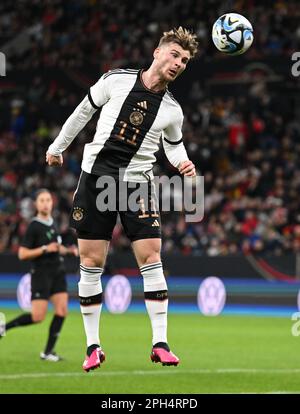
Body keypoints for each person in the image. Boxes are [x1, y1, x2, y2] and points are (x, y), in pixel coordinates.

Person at [46, 27, 198, 371]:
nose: (178, 63)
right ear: (157, 52)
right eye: (174, 54)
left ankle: (160, 343)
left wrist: (182, 163)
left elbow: (173, 146)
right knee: (92, 261)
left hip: (137, 186)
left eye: (185, 61)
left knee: (151, 256)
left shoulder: (172, 110)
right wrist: (58, 147)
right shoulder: (116, 80)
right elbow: (83, 112)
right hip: (96, 180)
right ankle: (93, 346)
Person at [0, 189, 78, 361]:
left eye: (48, 200)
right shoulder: (34, 226)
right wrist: (43, 249)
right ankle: (4, 327)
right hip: (41, 274)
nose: (45, 203)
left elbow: (56, 246)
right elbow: (22, 253)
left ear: (52, 202)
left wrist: (70, 251)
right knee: (37, 317)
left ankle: (48, 352)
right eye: (41, 200)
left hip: (57, 272)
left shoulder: (52, 222)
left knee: (62, 310)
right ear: (36, 204)